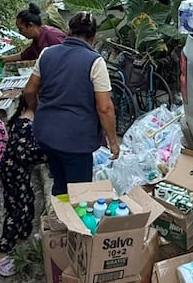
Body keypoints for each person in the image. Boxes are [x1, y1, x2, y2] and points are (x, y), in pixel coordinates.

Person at [23, 12, 120, 196]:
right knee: (80, 194)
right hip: (77, 140)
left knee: (60, 184)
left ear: (68, 31)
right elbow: (105, 108)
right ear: (93, 37)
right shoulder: (95, 61)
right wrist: (113, 142)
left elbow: (29, 91)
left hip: (47, 135)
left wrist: (38, 111)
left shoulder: (46, 54)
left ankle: (59, 217)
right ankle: (73, 224)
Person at [0, 97, 46, 276]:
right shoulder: (25, 125)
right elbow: (28, 154)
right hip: (14, 173)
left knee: (27, 203)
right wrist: (50, 152)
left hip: (18, 172)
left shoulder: (27, 120)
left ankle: (22, 243)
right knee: (17, 212)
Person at [0, 3, 67, 63]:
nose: (20, 32)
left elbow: (68, 57)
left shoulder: (52, 36)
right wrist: (6, 59)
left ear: (30, 26)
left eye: (21, 29)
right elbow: (28, 54)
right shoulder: (37, 39)